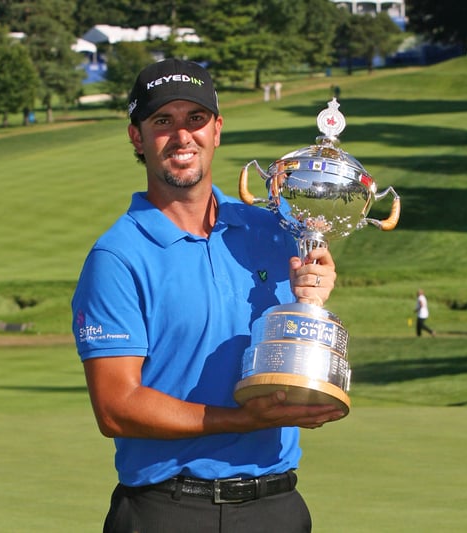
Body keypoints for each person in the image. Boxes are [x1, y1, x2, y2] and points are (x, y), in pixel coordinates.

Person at [71, 58, 344, 533]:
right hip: (169, 509)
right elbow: (116, 407)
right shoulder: (117, 256)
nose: (182, 136)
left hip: (276, 506)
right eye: (162, 122)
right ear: (137, 137)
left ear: (217, 129)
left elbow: (291, 353)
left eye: (195, 119)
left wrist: (313, 299)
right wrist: (240, 420)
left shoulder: (277, 230)